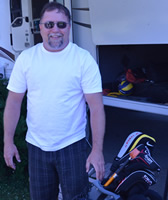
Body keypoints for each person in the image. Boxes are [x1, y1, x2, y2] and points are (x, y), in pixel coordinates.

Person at [3, 2, 105, 200]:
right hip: (37, 147)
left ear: (69, 26)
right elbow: (14, 102)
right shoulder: (26, 59)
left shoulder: (83, 59)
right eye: (49, 25)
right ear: (39, 27)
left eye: (61, 24)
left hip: (73, 146)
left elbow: (97, 108)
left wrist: (97, 150)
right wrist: (8, 141)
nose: (55, 30)